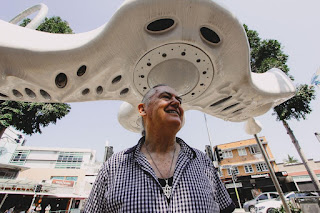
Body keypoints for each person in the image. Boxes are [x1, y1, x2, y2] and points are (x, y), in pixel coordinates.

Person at [84, 84, 235, 212]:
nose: (176, 103)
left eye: (179, 100)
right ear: (143, 109)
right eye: (166, 97)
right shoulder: (114, 165)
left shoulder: (202, 161)